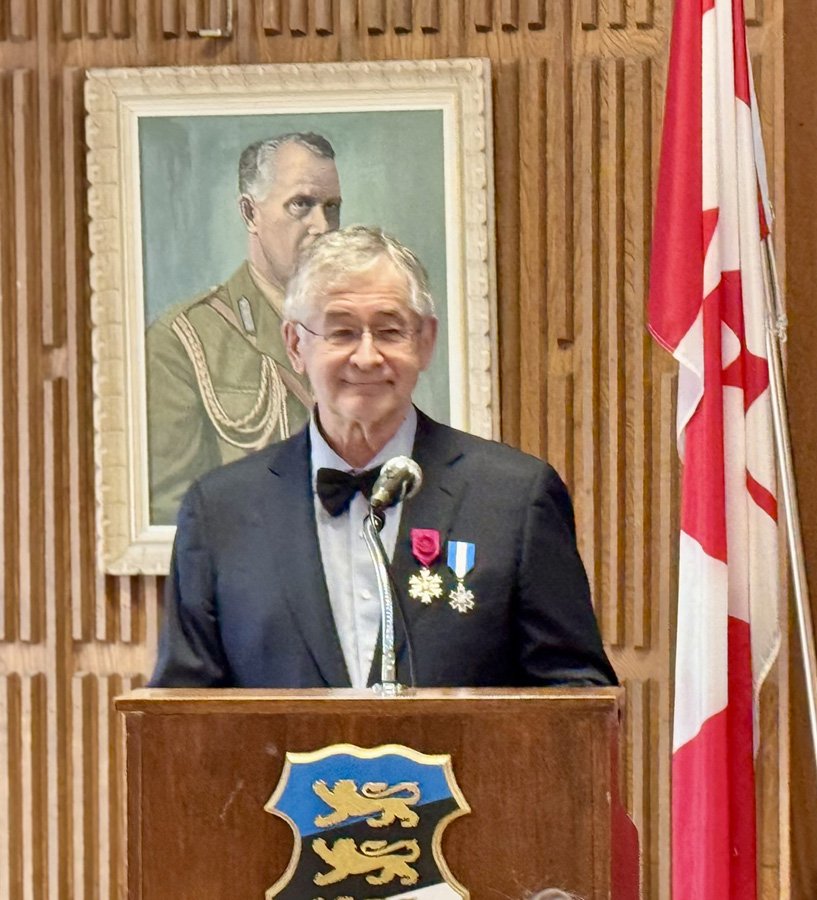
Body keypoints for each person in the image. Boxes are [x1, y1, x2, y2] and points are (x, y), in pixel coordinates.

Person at [150, 226, 616, 689]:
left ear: (426, 341)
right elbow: (180, 712)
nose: (367, 357)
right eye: (342, 332)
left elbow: (578, 694)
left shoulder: (514, 498)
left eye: (390, 331)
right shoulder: (219, 512)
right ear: (294, 344)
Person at [145, 132, 342, 524]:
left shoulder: (357, 330)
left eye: (332, 207)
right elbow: (170, 515)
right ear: (250, 213)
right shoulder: (182, 341)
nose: (323, 226)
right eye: (301, 204)